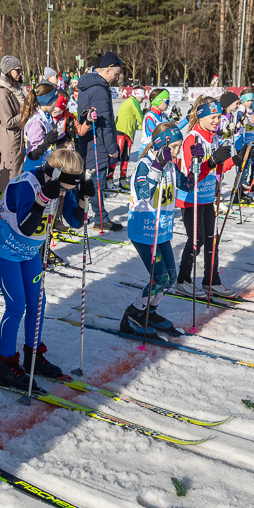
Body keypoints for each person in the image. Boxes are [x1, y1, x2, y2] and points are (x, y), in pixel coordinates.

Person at [0, 148, 92, 391]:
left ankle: (33, 354)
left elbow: (75, 222)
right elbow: (26, 227)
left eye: (69, 189)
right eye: (64, 188)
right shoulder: (26, 184)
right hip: (6, 249)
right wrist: (43, 199)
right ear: (54, 174)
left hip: (30, 251)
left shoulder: (61, 184)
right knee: (16, 306)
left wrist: (83, 198)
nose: (65, 193)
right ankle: (6, 364)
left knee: (37, 304)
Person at [120, 123, 182, 336]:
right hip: (144, 230)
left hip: (162, 229)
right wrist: (158, 165)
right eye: (173, 147)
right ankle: (132, 314)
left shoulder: (171, 164)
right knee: (159, 278)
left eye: (179, 146)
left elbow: (189, 185)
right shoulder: (145, 164)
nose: (177, 151)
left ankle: (150, 311)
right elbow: (144, 192)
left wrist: (208, 162)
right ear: (161, 144)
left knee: (171, 277)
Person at [174, 99, 233, 297]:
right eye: (213, 117)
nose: (217, 121)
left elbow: (216, 169)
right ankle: (183, 279)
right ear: (200, 116)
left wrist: (233, 159)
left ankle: (211, 280)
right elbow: (193, 176)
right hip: (191, 198)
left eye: (219, 117)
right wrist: (212, 160)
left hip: (207, 197)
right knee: (196, 239)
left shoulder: (213, 138)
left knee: (211, 239)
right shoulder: (193, 139)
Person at [78, 51, 124, 230]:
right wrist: (112, 148)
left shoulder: (91, 86)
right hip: (97, 144)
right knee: (97, 182)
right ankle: (100, 219)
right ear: (107, 71)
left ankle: (88, 215)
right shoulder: (99, 90)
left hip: (89, 141)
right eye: (116, 73)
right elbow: (104, 124)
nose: (117, 77)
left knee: (91, 180)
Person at [0, 55, 27, 194]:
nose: (20, 74)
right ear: (8, 72)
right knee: (10, 178)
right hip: (9, 140)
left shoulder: (17, 90)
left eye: (21, 70)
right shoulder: (3, 92)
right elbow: (7, 121)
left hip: (18, 138)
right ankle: (4, 208)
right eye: (17, 70)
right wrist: (25, 114)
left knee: (17, 176)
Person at [21, 81, 60, 173]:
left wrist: (63, 137)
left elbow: (49, 139)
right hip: (33, 171)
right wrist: (46, 143)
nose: (56, 105)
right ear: (48, 101)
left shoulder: (47, 116)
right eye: (55, 101)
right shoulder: (36, 121)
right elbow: (32, 154)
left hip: (45, 168)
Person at [113, 87, 144, 191]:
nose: (143, 99)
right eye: (142, 96)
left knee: (125, 157)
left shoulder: (132, 102)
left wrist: (142, 126)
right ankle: (109, 179)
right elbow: (141, 118)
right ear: (138, 94)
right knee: (116, 156)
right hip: (121, 131)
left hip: (127, 133)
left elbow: (137, 123)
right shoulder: (133, 101)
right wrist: (147, 123)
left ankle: (123, 179)